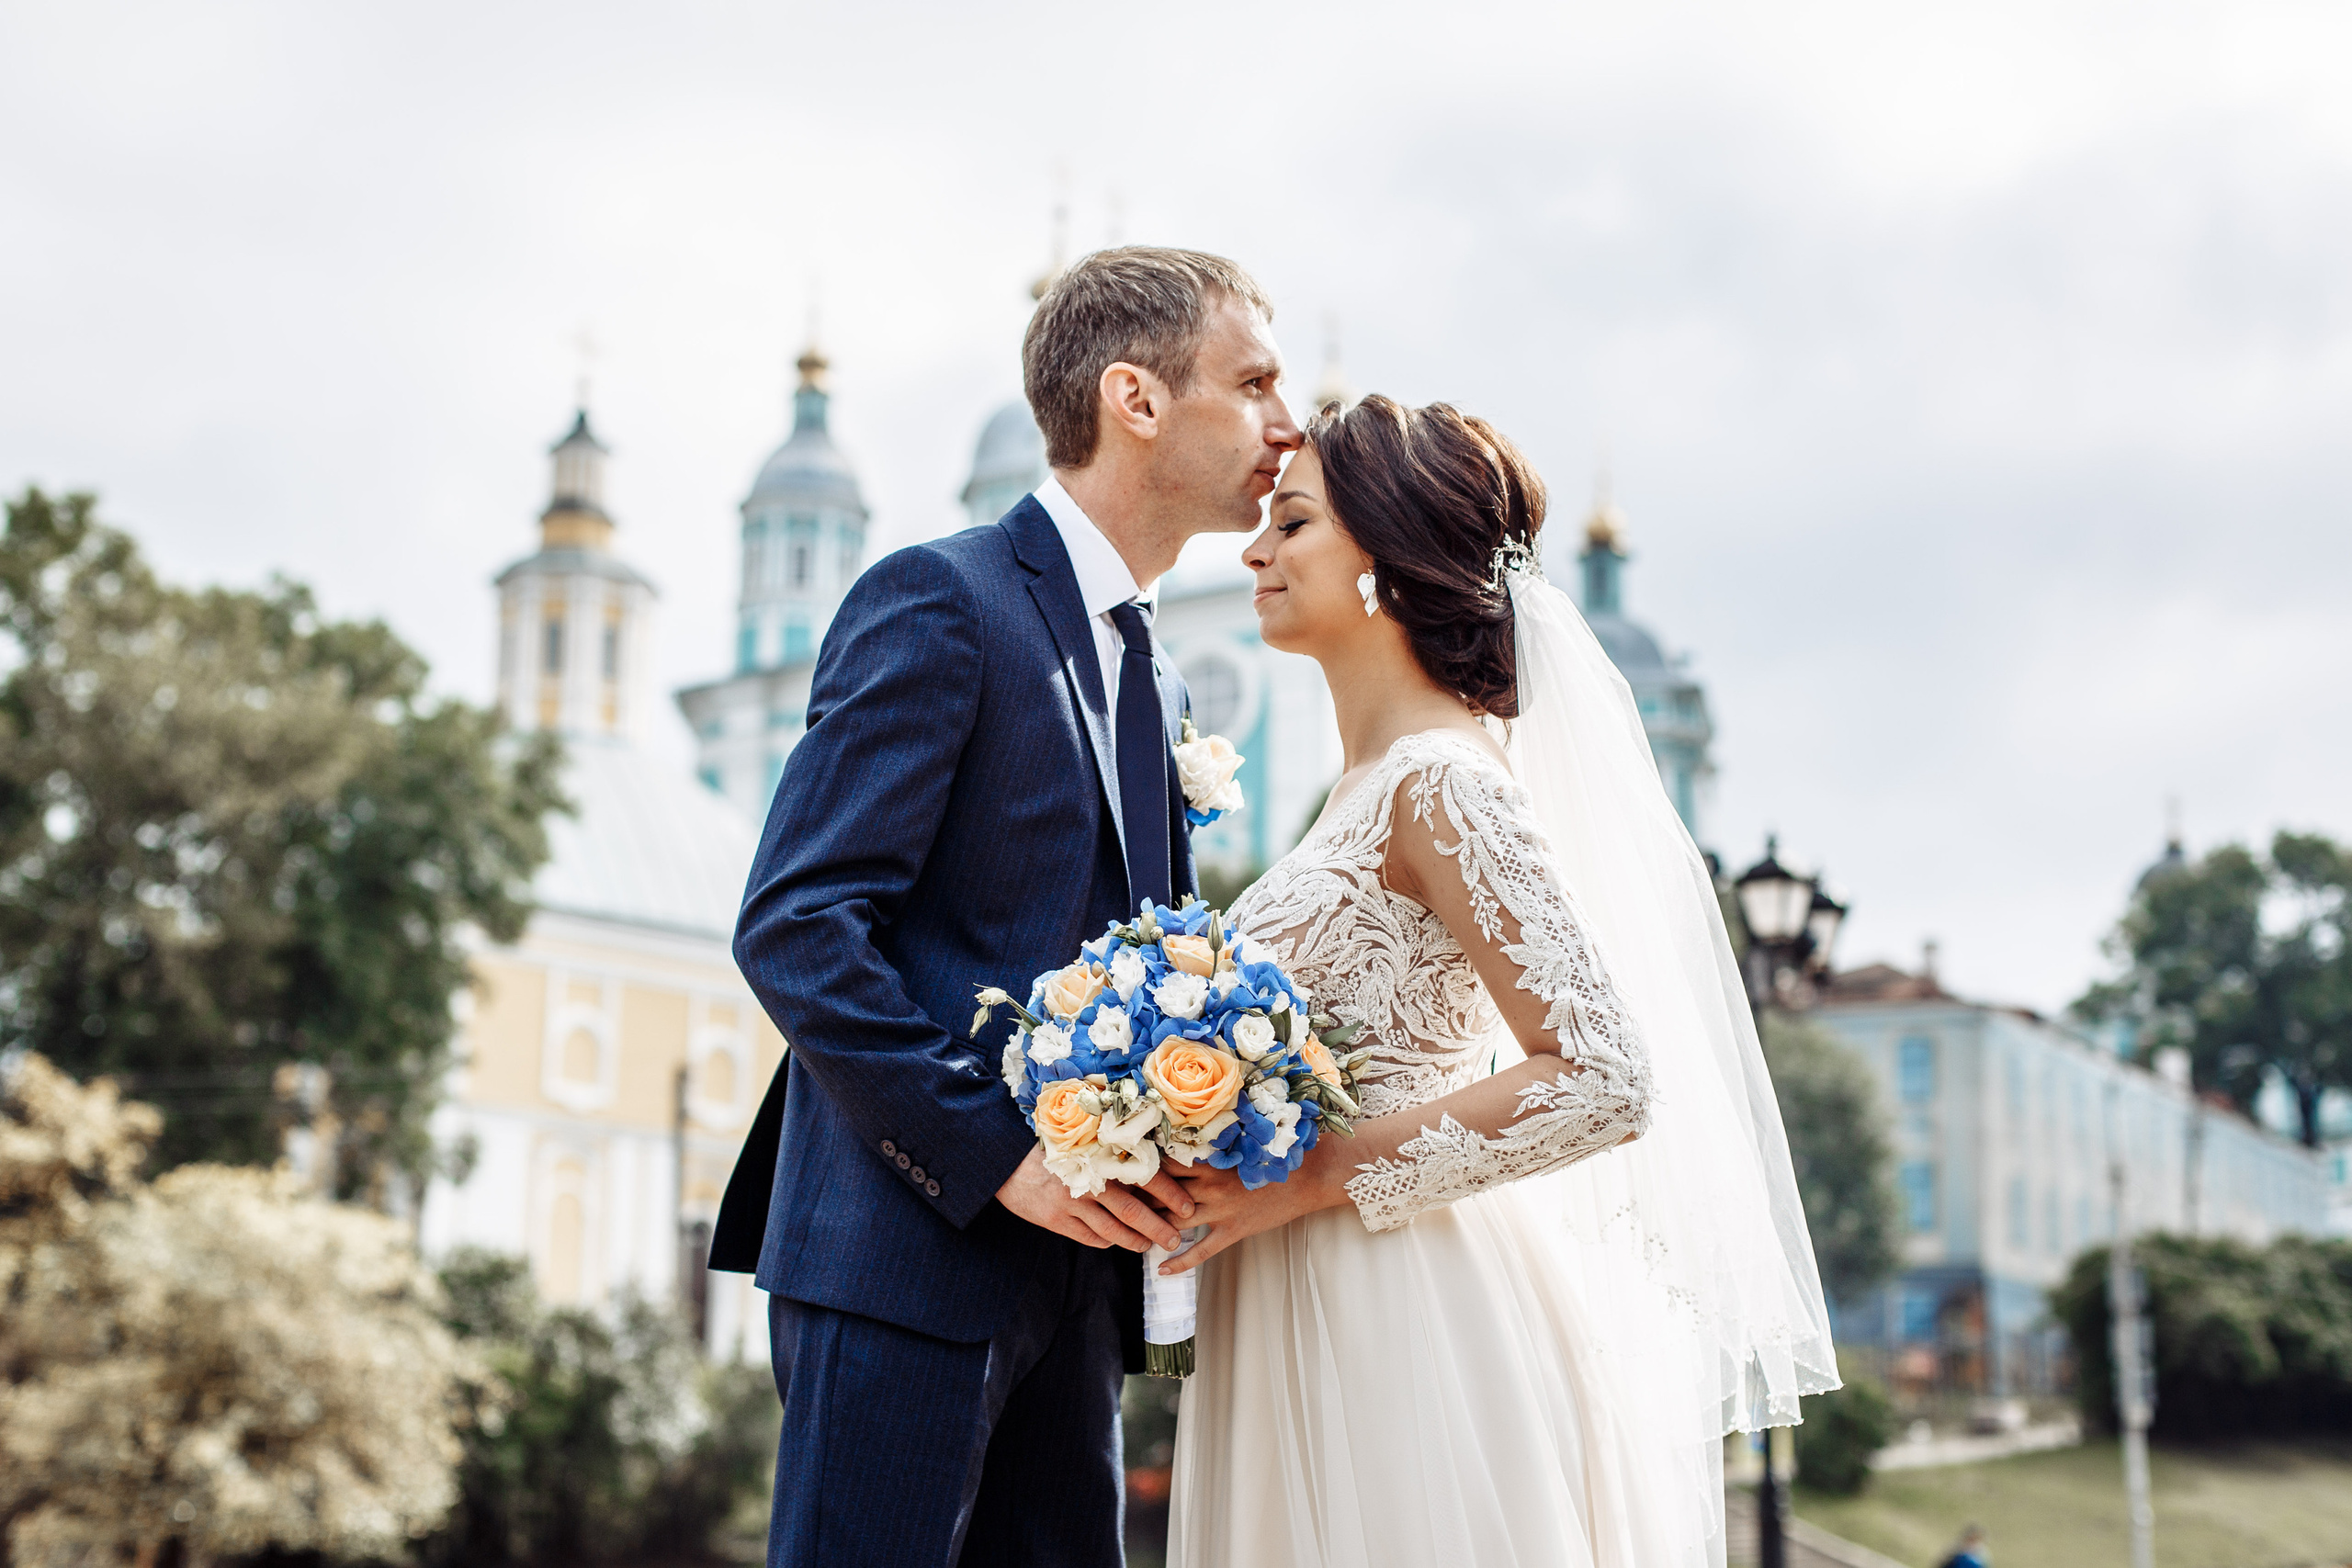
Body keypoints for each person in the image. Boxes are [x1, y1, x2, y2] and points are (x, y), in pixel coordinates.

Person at [1159, 395, 1840, 1567]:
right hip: (1292, 1296)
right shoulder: (1362, 788)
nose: (1255, 551)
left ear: (1385, 561)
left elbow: (1603, 1079)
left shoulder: (1444, 784)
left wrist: (1314, 1175)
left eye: (1294, 523)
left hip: (1398, 1309)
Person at [708, 246, 1303, 1568]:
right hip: (904, 1259)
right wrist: (1001, 1157)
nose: (1287, 419)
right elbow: (797, 923)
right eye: (1254, 380)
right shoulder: (944, 597)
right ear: (1136, 398)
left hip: (1079, 1286)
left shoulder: (1161, 678)